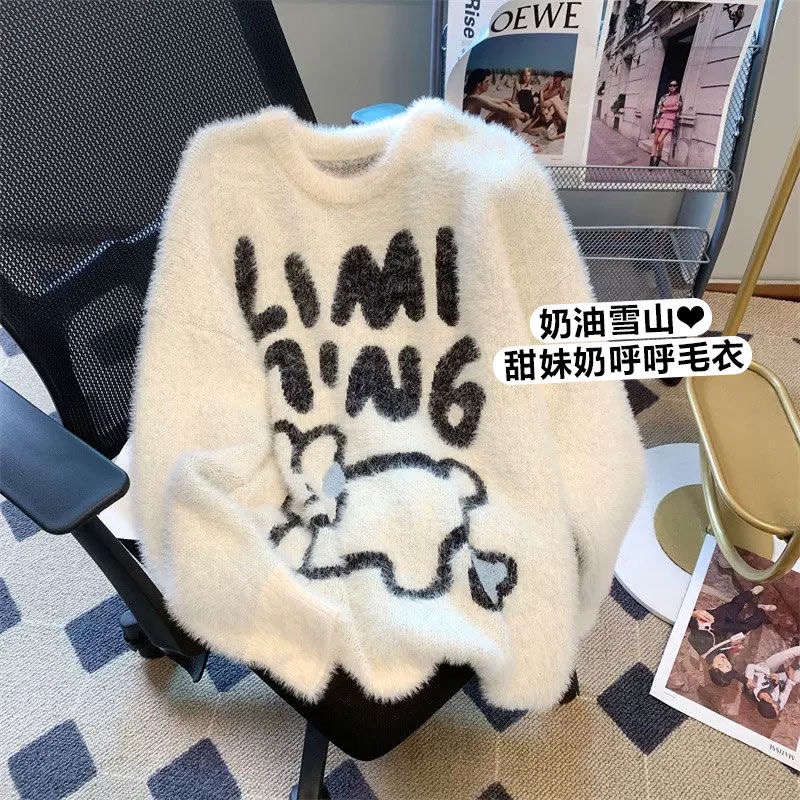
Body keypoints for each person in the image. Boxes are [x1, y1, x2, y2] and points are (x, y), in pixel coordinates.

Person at [686, 586, 776, 685]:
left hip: (715, 619)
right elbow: (732, 674)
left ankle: (751, 593)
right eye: (728, 666)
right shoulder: (720, 661)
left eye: (720, 665)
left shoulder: (701, 647)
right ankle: (761, 609)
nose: (724, 661)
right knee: (750, 625)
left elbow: (691, 626)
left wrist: (694, 613)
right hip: (727, 631)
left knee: (735, 605)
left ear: (711, 667)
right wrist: (746, 680)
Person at [463, 68, 529, 132]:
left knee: (504, 106)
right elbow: (505, 112)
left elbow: (505, 101)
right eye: (486, 81)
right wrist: (523, 116)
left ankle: (515, 136)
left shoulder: (477, 97)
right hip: (473, 134)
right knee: (504, 112)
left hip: (477, 130)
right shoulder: (473, 99)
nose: (488, 84)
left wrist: (521, 112)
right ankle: (516, 137)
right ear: (479, 84)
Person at [745, 645, 800, 719]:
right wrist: (790, 679)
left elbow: (751, 666)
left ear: (767, 702)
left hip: (767, 668)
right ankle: (790, 664)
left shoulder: (751, 686)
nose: (778, 707)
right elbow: (785, 693)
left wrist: (770, 674)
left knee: (786, 654)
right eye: (778, 709)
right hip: (780, 679)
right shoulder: (779, 705)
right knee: (797, 677)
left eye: (776, 708)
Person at [650, 79, 683, 167]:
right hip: (661, 119)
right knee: (655, 140)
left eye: (674, 85)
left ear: (677, 86)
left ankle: (659, 156)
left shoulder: (678, 96)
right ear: (668, 87)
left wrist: (665, 109)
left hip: (670, 120)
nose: (672, 87)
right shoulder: (664, 96)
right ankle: (651, 160)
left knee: (660, 140)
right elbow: (659, 107)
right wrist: (662, 110)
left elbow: (677, 108)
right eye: (670, 85)